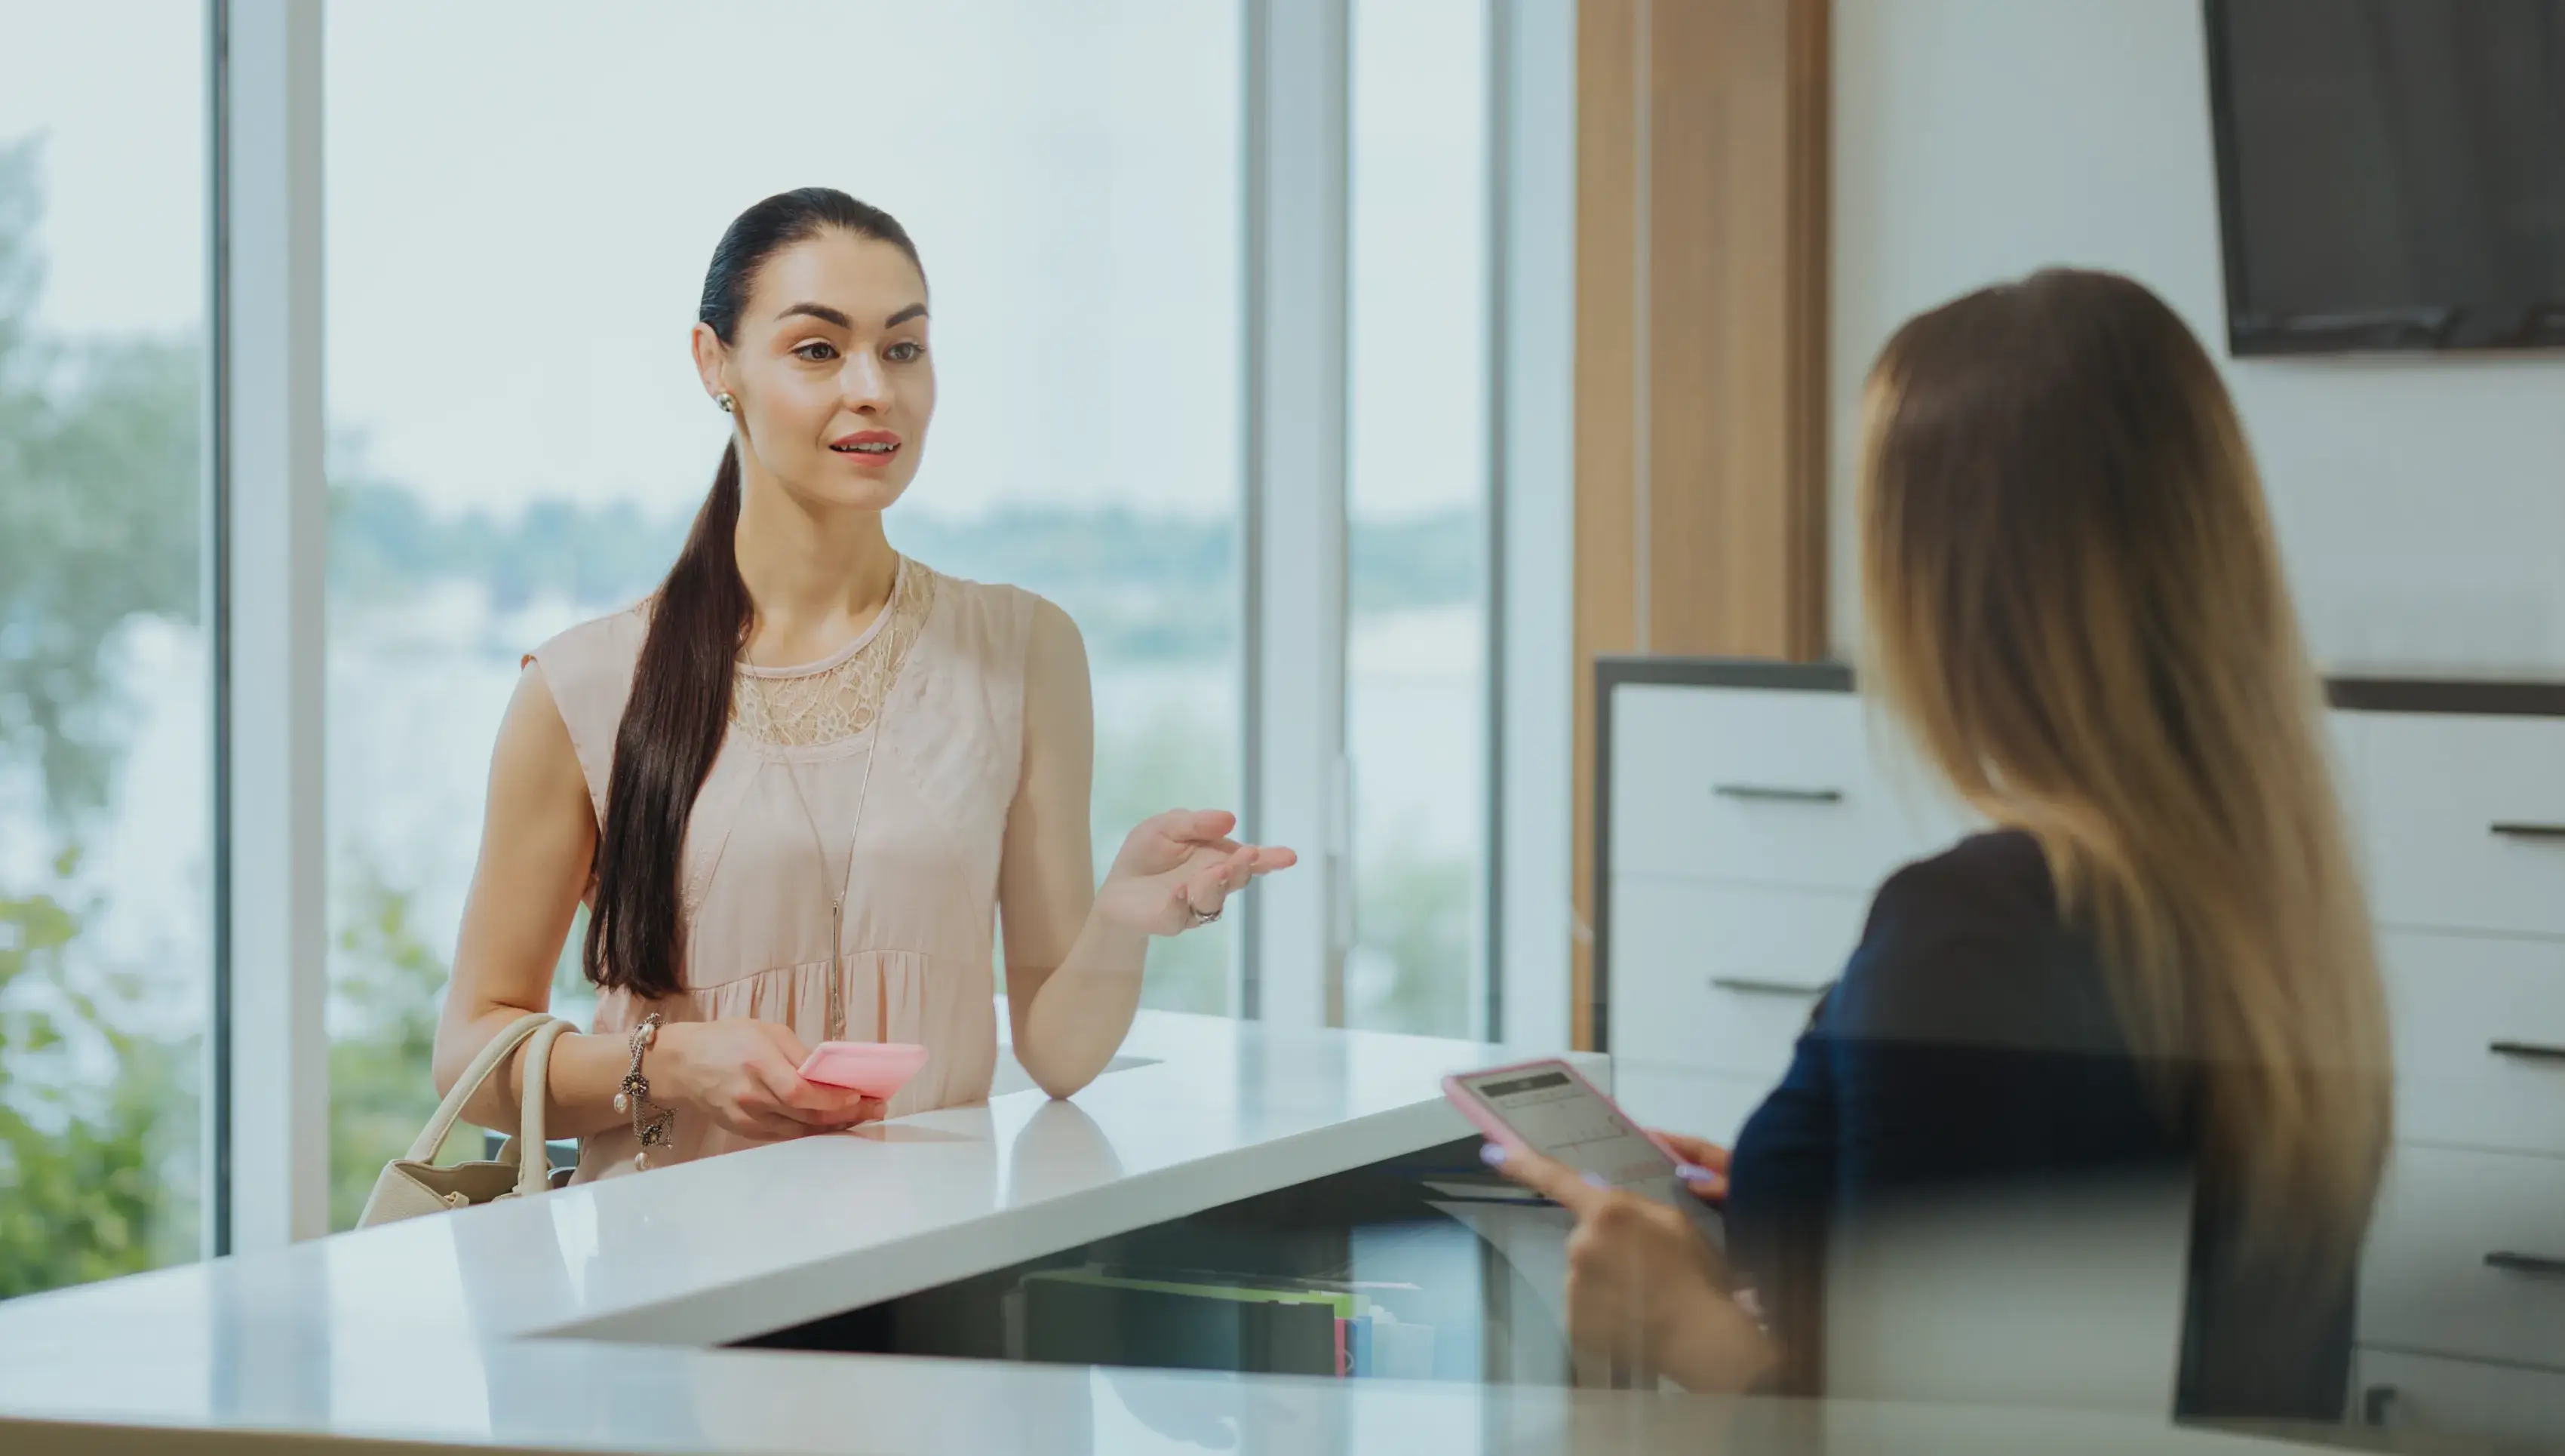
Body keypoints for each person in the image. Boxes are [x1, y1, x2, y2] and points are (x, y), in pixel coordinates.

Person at [1497, 268, 2391, 1418]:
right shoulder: (2268, 910)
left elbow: (1926, 1436)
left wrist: (1682, 1325)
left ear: (1950, 588)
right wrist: (1804, 1193)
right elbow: (2062, 1316)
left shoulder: (1980, 923)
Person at [432, 188, 1294, 1180]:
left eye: (902, 348)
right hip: (669, 1287)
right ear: (717, 366)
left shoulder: (1024, 651)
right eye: (817, 350)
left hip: (941, 1275)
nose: (873, 389)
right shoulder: (585, 688)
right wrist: (670, 1063)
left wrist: (1120, 923)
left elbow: (1058, 1054)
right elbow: (471, 1054)